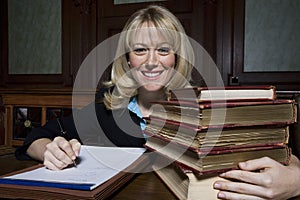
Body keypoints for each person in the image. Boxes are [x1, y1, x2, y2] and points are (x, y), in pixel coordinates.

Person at [15, 5, 300, 200]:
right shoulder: (104, 111)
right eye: (140, 50)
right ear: (128, 59)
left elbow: (276, 152)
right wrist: (48, 151)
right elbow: (37, 136)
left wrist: (296, 180)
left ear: (177, 58)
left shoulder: (205, 111)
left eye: (163, 50)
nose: (152, 61)